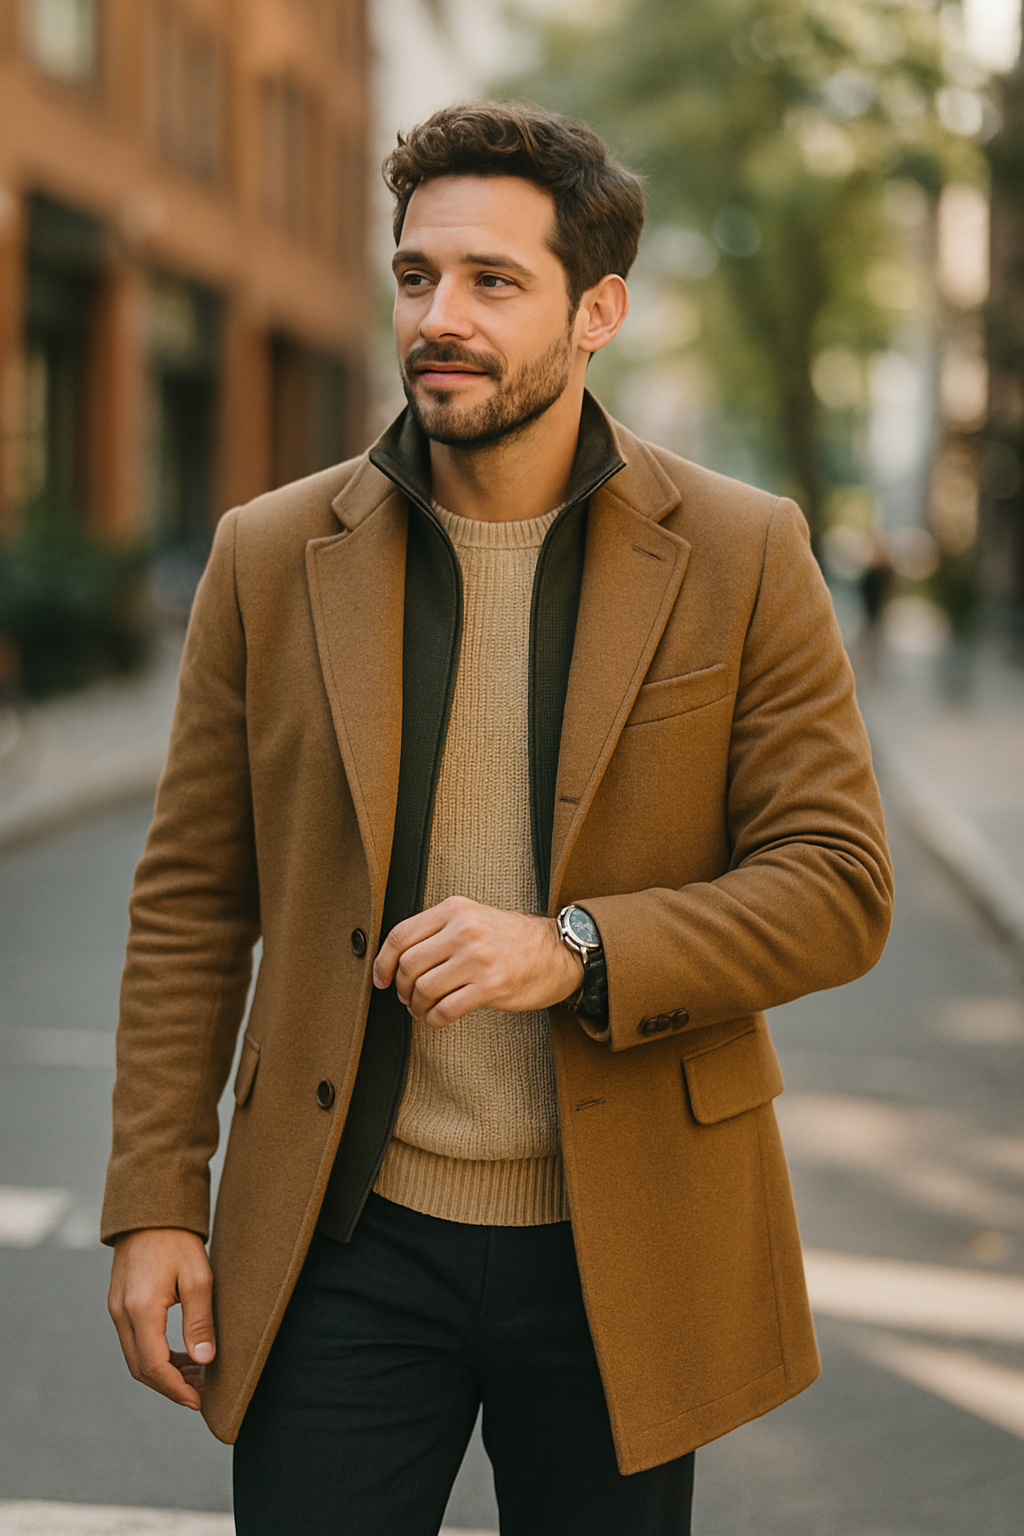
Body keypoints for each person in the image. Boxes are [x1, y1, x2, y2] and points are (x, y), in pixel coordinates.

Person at [103, 102, 893, 1536]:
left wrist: (575, 949)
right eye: (417, 276)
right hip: (347, 1239)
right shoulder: (270, 556)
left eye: (492, 282)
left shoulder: (743, 550)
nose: (439, 318)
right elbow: (193, 902)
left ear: (599, 311)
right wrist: (157, 1201)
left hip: (625, 1243)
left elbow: (839, 883)